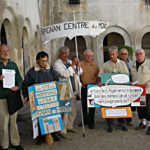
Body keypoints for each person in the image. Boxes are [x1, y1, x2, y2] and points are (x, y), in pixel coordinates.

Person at [22, 51, 60, 144]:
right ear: (37, 61)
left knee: (52, 116)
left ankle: (54, 133)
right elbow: (26, 84)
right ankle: (40, 137)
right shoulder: (32, 72)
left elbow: (57, 81)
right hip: (38, 100)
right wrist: (26, 96)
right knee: (40, 118)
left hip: (50, 99)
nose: (44, 63)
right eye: (42, 61)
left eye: (46, 61)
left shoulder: (50, 70)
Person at [53, 46, 82, 139]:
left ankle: (70, 126)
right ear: (59, 54)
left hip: (72, 89)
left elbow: (80, 72)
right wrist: (73, 64)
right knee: (64, 111)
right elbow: (65, 74)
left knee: (73, 109)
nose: (66, 55)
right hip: (63, 88)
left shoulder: (69, 62)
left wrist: (78, 65)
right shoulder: (57, 64)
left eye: (67, 53)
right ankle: (63, 131)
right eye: (63, 53)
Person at [0, 44, 24, 150]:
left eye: (7, 51)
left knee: (13, 122)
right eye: (3, 51)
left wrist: (18, 87)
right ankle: (4, 145)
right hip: (2, 99)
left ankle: (15, 142)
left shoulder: (13, 65)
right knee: (3, 123)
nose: (6, 53)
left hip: (13, 97)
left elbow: (19, 79)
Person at [100, 46, 129, 133]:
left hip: (120, 91)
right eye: (110, 55)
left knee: (121, 106)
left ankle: (122, 124)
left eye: (113, 54)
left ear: (117, 54)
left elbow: (127, 76)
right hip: (109, 92)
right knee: (109, 107)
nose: (111, 56)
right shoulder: (105, 65)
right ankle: (110, 125)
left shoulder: (123, 64)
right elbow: (100, 76)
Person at [130, 48, 150, 135]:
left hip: (148, 91)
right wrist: (130, 82)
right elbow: (130, 77)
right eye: (137, 54)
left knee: (148, 109)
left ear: (144, 54)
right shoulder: (132, 65)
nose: (139, 55)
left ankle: (149, 125)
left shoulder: (149, 64)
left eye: (141, 53)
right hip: (138, 92)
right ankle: (143, 123)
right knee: (140, 109)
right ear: (135, 55)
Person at [79, 49, 100, 129]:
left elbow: (98, 76)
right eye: (87, 55)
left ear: (92, 57)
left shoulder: (95, 65)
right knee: (83, 105)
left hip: (92, 87)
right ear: (84, 56)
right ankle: (84, 120)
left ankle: (91, 122)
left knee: (92, 106)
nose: (89, 57)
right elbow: (77, 76)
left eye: (90, 56)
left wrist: (98, 84)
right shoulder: (80, 64)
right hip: (84, 87)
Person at [119, 48, 134, 126]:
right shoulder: (117, 63)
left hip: (129, 86)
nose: (124, 55)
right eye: (122, 54)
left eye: (125, 54)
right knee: (120, 103)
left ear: (128, 55)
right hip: (119, 87)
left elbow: (133, 74)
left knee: (128, 103)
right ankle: (121, 120)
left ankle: (129, 119)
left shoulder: (131, 63)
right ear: (119, 54)